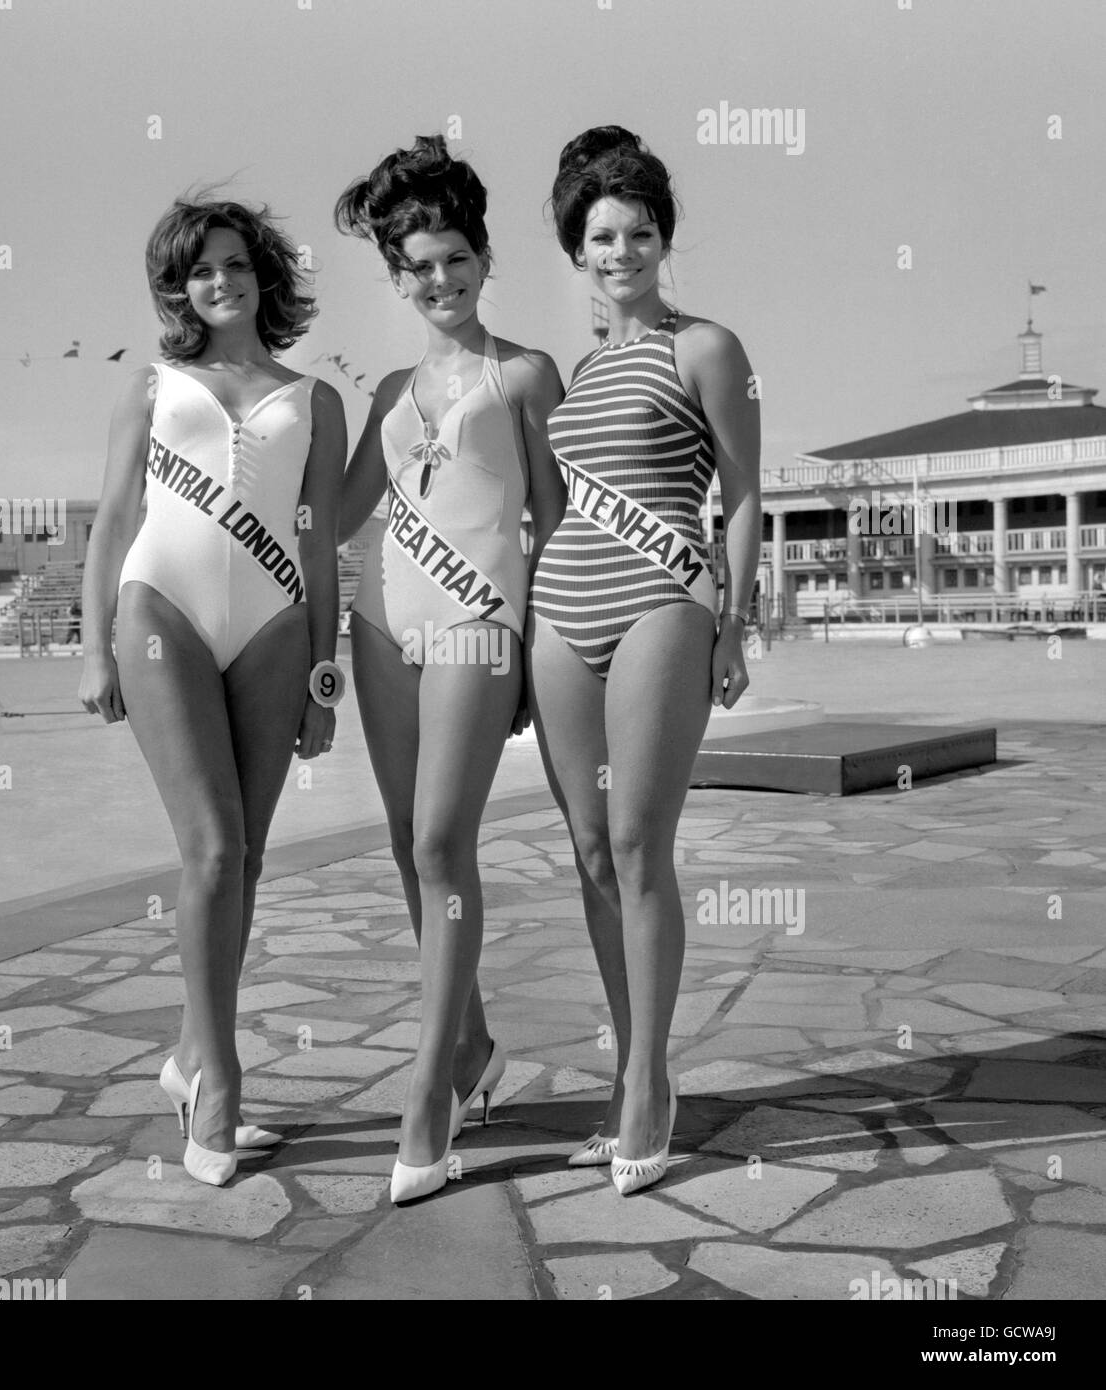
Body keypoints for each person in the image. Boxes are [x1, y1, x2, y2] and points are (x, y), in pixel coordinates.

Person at [79, 194, 345, 1187]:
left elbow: (320, 546)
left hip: (276, 627)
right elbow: (111, 519)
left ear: (262, 272)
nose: (219, 282)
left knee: (249, 857)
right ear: (178, 286)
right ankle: (221, 1084)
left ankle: (189, 1058)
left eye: (234, 263)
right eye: (199, 270)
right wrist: (94, 648)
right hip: (163, 616)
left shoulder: (315, 399)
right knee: (215, 848)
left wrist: (326, 678)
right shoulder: (150, 386)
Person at [528, 127, 761, 1195]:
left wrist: (732, 621)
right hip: (561, 609)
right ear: (576, 249)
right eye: (601, 235)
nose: (621, 251)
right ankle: (625, 1069)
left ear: (664, 241)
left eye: (640, 232)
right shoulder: (579, 366)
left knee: (635, 839)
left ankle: (652, 1084)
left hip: (663, 599)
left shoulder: (705, 347)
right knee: (584, 848)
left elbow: (744, 496)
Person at [335, 135, 566, 1203]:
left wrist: (539, 657)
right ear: (395, 275)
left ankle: (428, 1092)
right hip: (382, 625)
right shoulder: (384, 387)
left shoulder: (523, 375)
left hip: (479, 627)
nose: (439, 279)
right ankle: (469, 1045)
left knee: (440, 841)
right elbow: (333, 514)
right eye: (417, 265)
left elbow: (555, 526)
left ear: (483, 256)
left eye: (454, 258)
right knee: (402, 843)